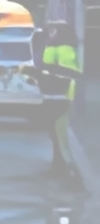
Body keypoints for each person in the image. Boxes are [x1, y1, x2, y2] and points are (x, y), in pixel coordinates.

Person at [37, 19, 83, 184]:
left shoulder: (65, 49)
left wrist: (46, 72)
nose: (50, 33)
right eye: (50, 30)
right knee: (54, 135)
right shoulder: (51, 46)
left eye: (54, 30)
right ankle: (58, 166)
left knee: (60, 136)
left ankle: (71, 172)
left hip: (62, 97)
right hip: (51, 96)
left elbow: (71, 72)